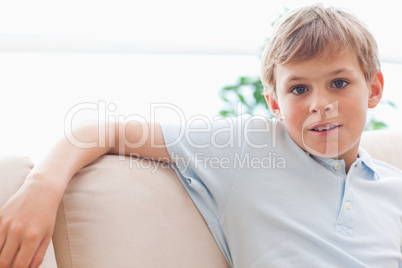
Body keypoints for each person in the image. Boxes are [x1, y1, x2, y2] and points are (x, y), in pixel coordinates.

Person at [1, 3, 401, 267]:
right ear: (275, 103)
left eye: (338, 83)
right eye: (299, 89)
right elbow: (101, 129)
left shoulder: (393, 188)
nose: (320, 104)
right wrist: (41, 187)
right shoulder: (249, 148)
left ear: (375, 89)